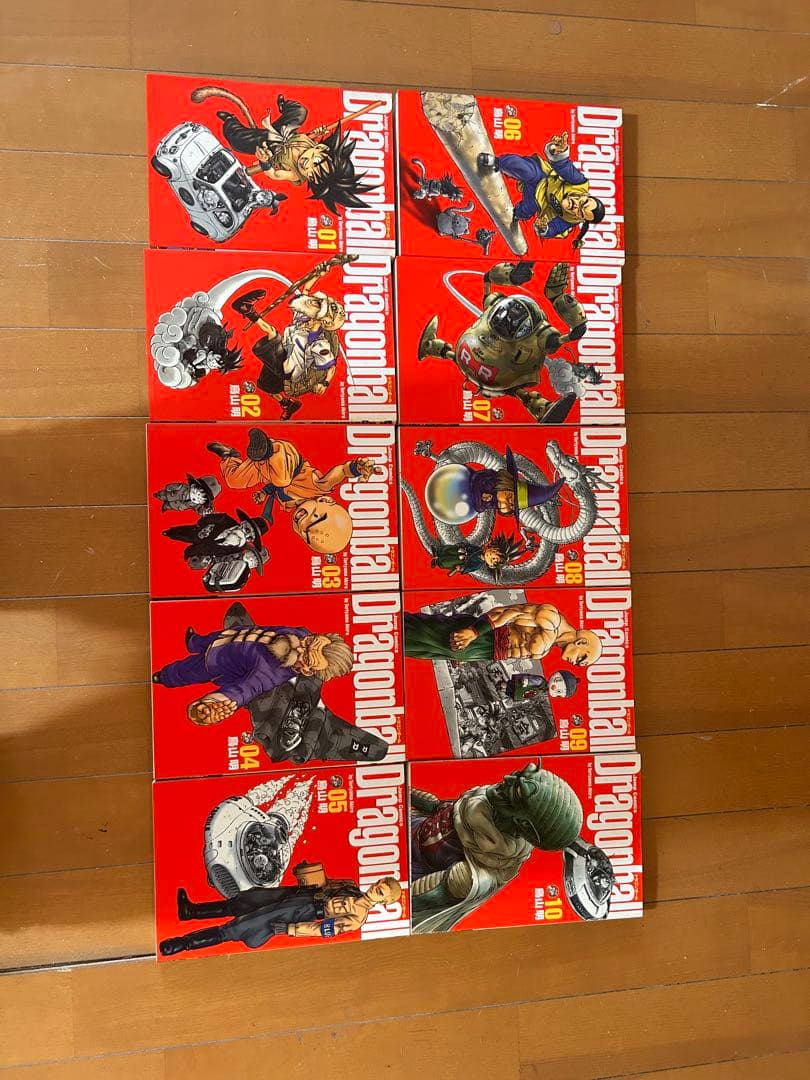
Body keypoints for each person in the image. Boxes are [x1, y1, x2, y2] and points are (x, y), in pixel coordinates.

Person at [207, 428, 379, 555]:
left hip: (265, 470)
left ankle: (229, 454)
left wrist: (264, 493)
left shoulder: (289, 504)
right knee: (282, 479)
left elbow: (277, 490)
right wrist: (356, 468)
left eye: (306, 533)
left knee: (234, 481)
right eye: (317, 519)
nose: (303, 523)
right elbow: (339, 474)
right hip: (282, 456)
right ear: (326, 501)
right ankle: (266, 448)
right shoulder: (318, 488)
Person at [152, 622, 353, 726]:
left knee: (186, 671)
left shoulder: (271, 674)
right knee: (205, 641)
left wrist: (215, 704)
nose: (300, 647)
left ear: (308, 671)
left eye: (307, 657)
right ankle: (194, 642)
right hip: (231, 636)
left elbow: (245, 691)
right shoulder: (300, 634)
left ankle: (164, 677)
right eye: (309, 642)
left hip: (218, 661)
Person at [159, 874, 402, 954]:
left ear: (384, 901)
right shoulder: (351, 886)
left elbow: (323, 929)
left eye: (381, 891)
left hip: (301, 912)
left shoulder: (357, 918)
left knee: (243, 926)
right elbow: (326, 882)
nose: (375, 887)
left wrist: (290, 929)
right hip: (300, 895)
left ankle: (183, 943)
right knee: (247, 901)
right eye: (378, 883)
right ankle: (191, 911)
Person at [479, 131, 605, 248]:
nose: (576, 205)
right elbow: (563, 166)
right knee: (525, 169)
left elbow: (554, 229)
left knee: (524, 211)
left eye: (581, 212)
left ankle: (517, 215)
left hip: (538, 201)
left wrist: (543, 228)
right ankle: (496, 162)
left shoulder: (570, 220)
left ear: (580, 219)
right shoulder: (579, 183)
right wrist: (558, 152)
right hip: (542, 178)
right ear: (586, 195)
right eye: (583, 203)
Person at [404, 599, 602, 667]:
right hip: (480, 635)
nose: (576, 663)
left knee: (416, 650)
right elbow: (507, 613)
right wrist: (474, 632)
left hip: (479, 651)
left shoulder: (548, 647)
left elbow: (505, 652)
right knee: (412, 633)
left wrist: (469, 657)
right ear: (582, 643)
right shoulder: (551, 619)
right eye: (581, 658)